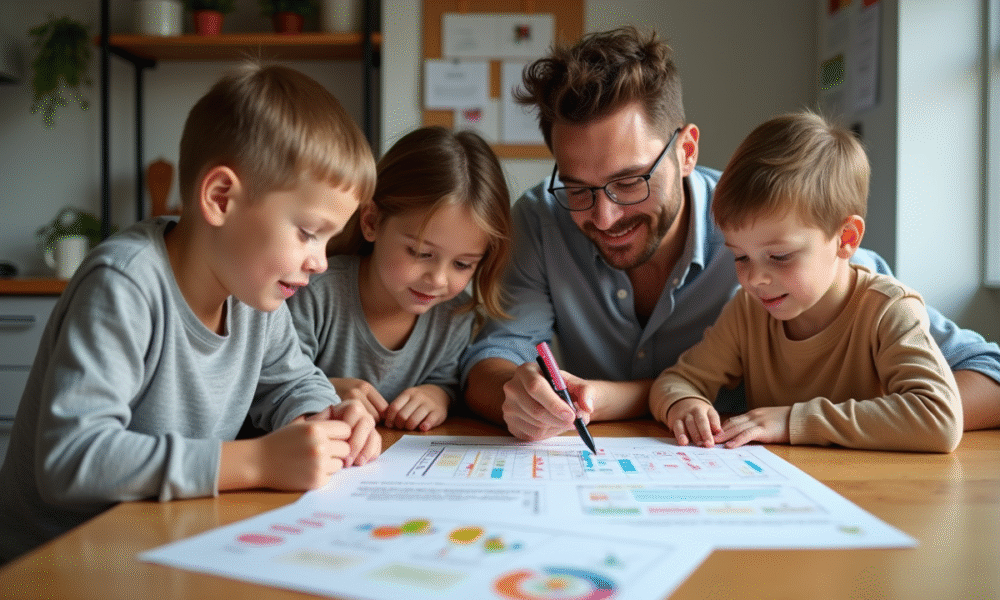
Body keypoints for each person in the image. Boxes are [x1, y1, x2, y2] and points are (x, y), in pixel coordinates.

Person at [461, 25, 1000, 442]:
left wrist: (838, 419)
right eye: (578, 188)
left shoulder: (769, 224)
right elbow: (491, 361)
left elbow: (987, 376)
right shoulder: (541, 218)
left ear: (686, 151)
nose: (602, 217)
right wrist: (517, 394)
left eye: (629, 181)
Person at [0, 63, 382, 563]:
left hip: (163, 540)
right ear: (220, 198)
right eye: (309, 233)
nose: (321, 261)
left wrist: (325, 419)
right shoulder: (125, 283)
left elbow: (292, 382)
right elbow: (72, 459)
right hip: (59, 561)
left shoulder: (254, 291)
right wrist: (260, 461)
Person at [649, 110, 962, 452]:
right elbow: (677, 380)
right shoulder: (748, 312)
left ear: (846, 238)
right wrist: (685, 405)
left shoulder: (887, 310)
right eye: (740, 257)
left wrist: (791, 422)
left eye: (779, 257)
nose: (754, 279)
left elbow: (940, 418)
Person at [287, 126, 511, 432]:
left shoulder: (455, 314)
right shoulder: (313, 295)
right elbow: (271, 382)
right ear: (371, 222)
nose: (438, 279)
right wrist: (325, 390)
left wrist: (440, 395)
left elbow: (446, 380)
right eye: (421, 253)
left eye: (462, 264)